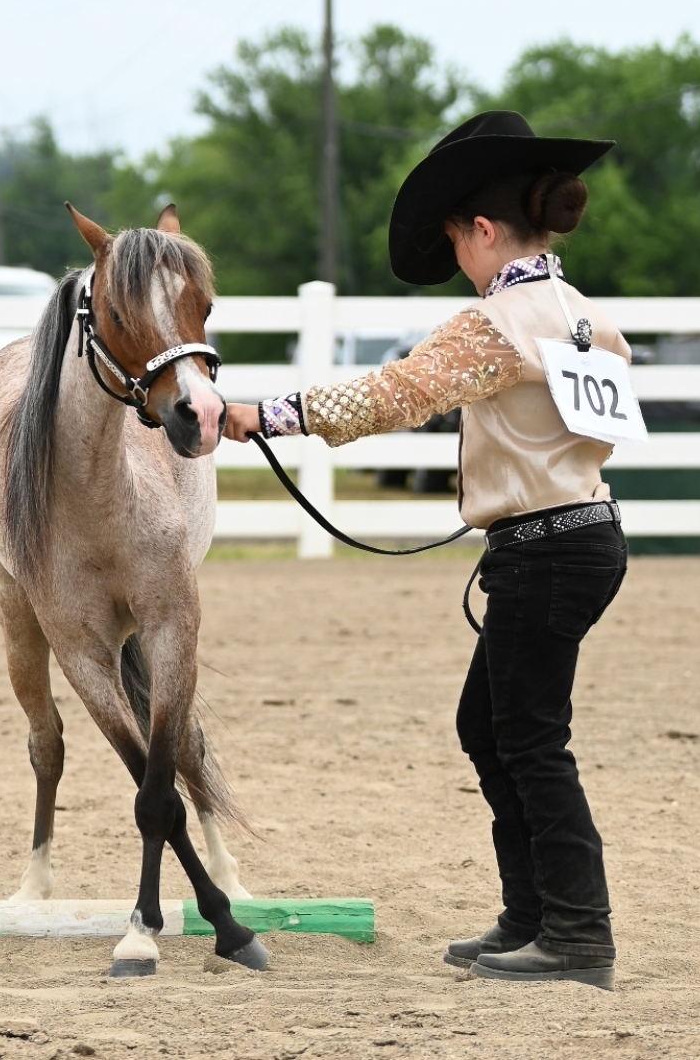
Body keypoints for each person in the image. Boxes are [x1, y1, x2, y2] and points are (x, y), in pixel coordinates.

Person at [224, 111, 629, 991]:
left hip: (543, 550)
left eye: (458, 243)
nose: (459, 262)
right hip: (582, 536)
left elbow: (393, 394)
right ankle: (532, 917)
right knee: (490, 728)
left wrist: (267, 413)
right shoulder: (585, 316)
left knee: (528, 739)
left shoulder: (496, 324)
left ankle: (577, 933)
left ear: (484, 231)